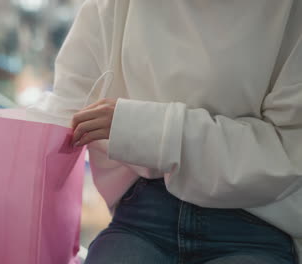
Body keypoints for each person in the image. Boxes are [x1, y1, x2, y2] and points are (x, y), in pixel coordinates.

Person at [35, 0, 302, 263]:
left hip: (257, 223)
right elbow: (65, 111)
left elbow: (289, 151)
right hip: (144, 214)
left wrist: (143, 128)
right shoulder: (110, 7)